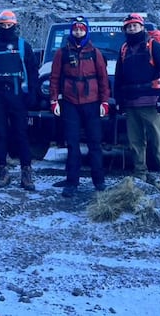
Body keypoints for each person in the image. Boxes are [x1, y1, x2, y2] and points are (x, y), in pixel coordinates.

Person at [114, 13, 160, 196]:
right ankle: (140, 175)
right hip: (131, 104)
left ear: (142, 27)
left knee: (159, 143)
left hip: (152, 103)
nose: (132, 29)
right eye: (129, 26)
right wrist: (119, 101)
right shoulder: (124, 49)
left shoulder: (153, 46)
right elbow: (118, 77)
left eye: (135, 25)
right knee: (136, 143)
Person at [0, 10, 39, 190]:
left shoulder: (23, 46)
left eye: (9, 25)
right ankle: (2, 171)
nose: (6, 28)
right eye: (3, 25)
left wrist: (32, 93)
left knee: (21, 133)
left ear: (15, 25)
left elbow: (33, 71)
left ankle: (26, 173)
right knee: (0, 134)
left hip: (18, 95)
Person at [49, 15, 110, 197]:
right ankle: (72, 182)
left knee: (95, 143)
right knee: (72, 144)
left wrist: (104, 101)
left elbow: (103, 79)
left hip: (92, 103)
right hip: (70, 103)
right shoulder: (62, 53)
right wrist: (54, 100)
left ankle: (99, 181)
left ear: (86, 31)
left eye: (81, 29)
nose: (78, 32)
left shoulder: (95, 53)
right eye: (75, 29)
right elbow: (54, 78)